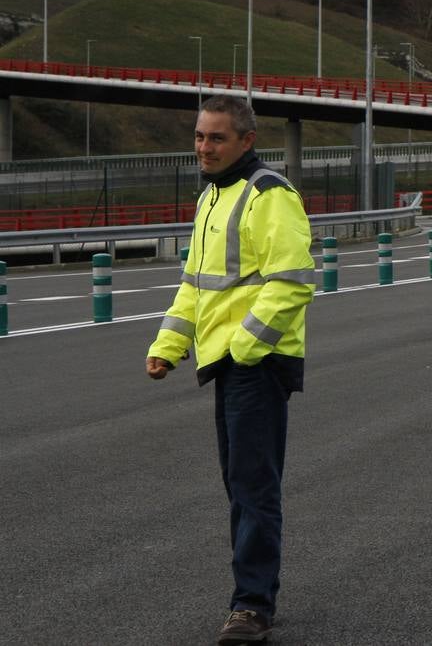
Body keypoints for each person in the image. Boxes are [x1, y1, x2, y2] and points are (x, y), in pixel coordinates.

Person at [146, 94, 315, 644]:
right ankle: (252, 596)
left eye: (216, 137)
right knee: (240, 484)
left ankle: (252, 607)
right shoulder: (213, 198)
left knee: (253, 486)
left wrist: (244, 347)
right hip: (227, 362)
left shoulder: (270, 195)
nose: (204, 147)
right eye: (199, 136)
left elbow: (292, 281)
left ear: (247, 140)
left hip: (257, 363)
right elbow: (195, 288)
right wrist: (168, 345)